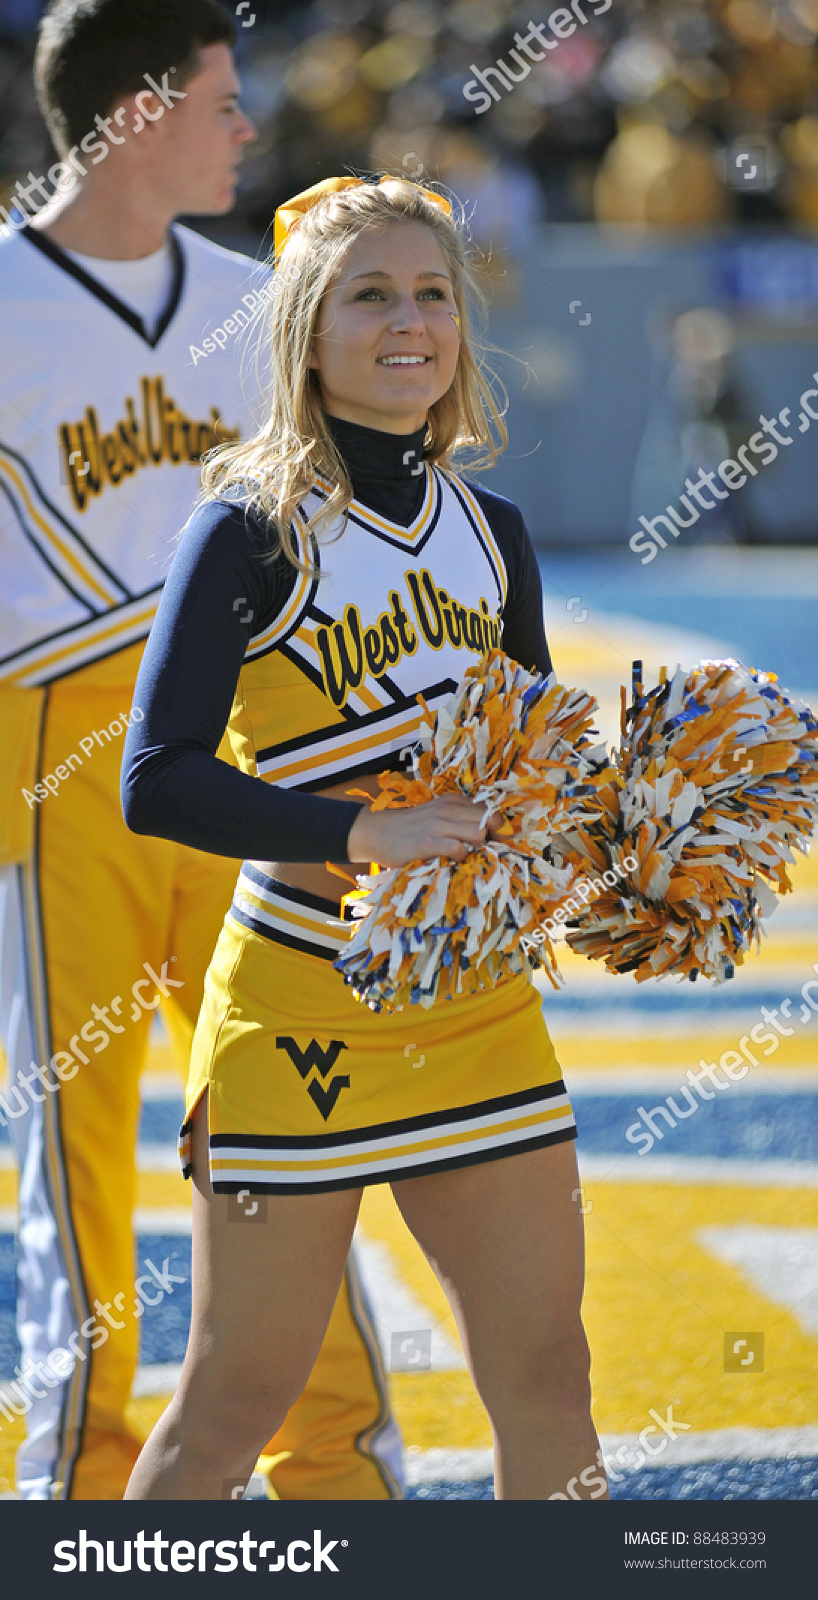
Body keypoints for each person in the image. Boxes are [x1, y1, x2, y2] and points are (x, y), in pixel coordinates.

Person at [121, 174, 606, 1501]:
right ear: (306, 331)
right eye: (371, 295)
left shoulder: (492, 533)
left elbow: (529, 758)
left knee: (545, 1372)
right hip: (296, 1007)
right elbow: (154, 782)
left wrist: (616, 840)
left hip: (475, 1002)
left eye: (433, 293)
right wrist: (359, 832)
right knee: (236, 1395)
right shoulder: (249, 529)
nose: (412, 322)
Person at [0, 0, 402, 1501]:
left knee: (294, 1124)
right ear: (134, 114)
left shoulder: (257, 302)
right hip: (56, 764)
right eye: (223, 102)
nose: (249, 129)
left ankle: (334, 1479)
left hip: (253, 760)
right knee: (77, 1166)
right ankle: (83, 1494)